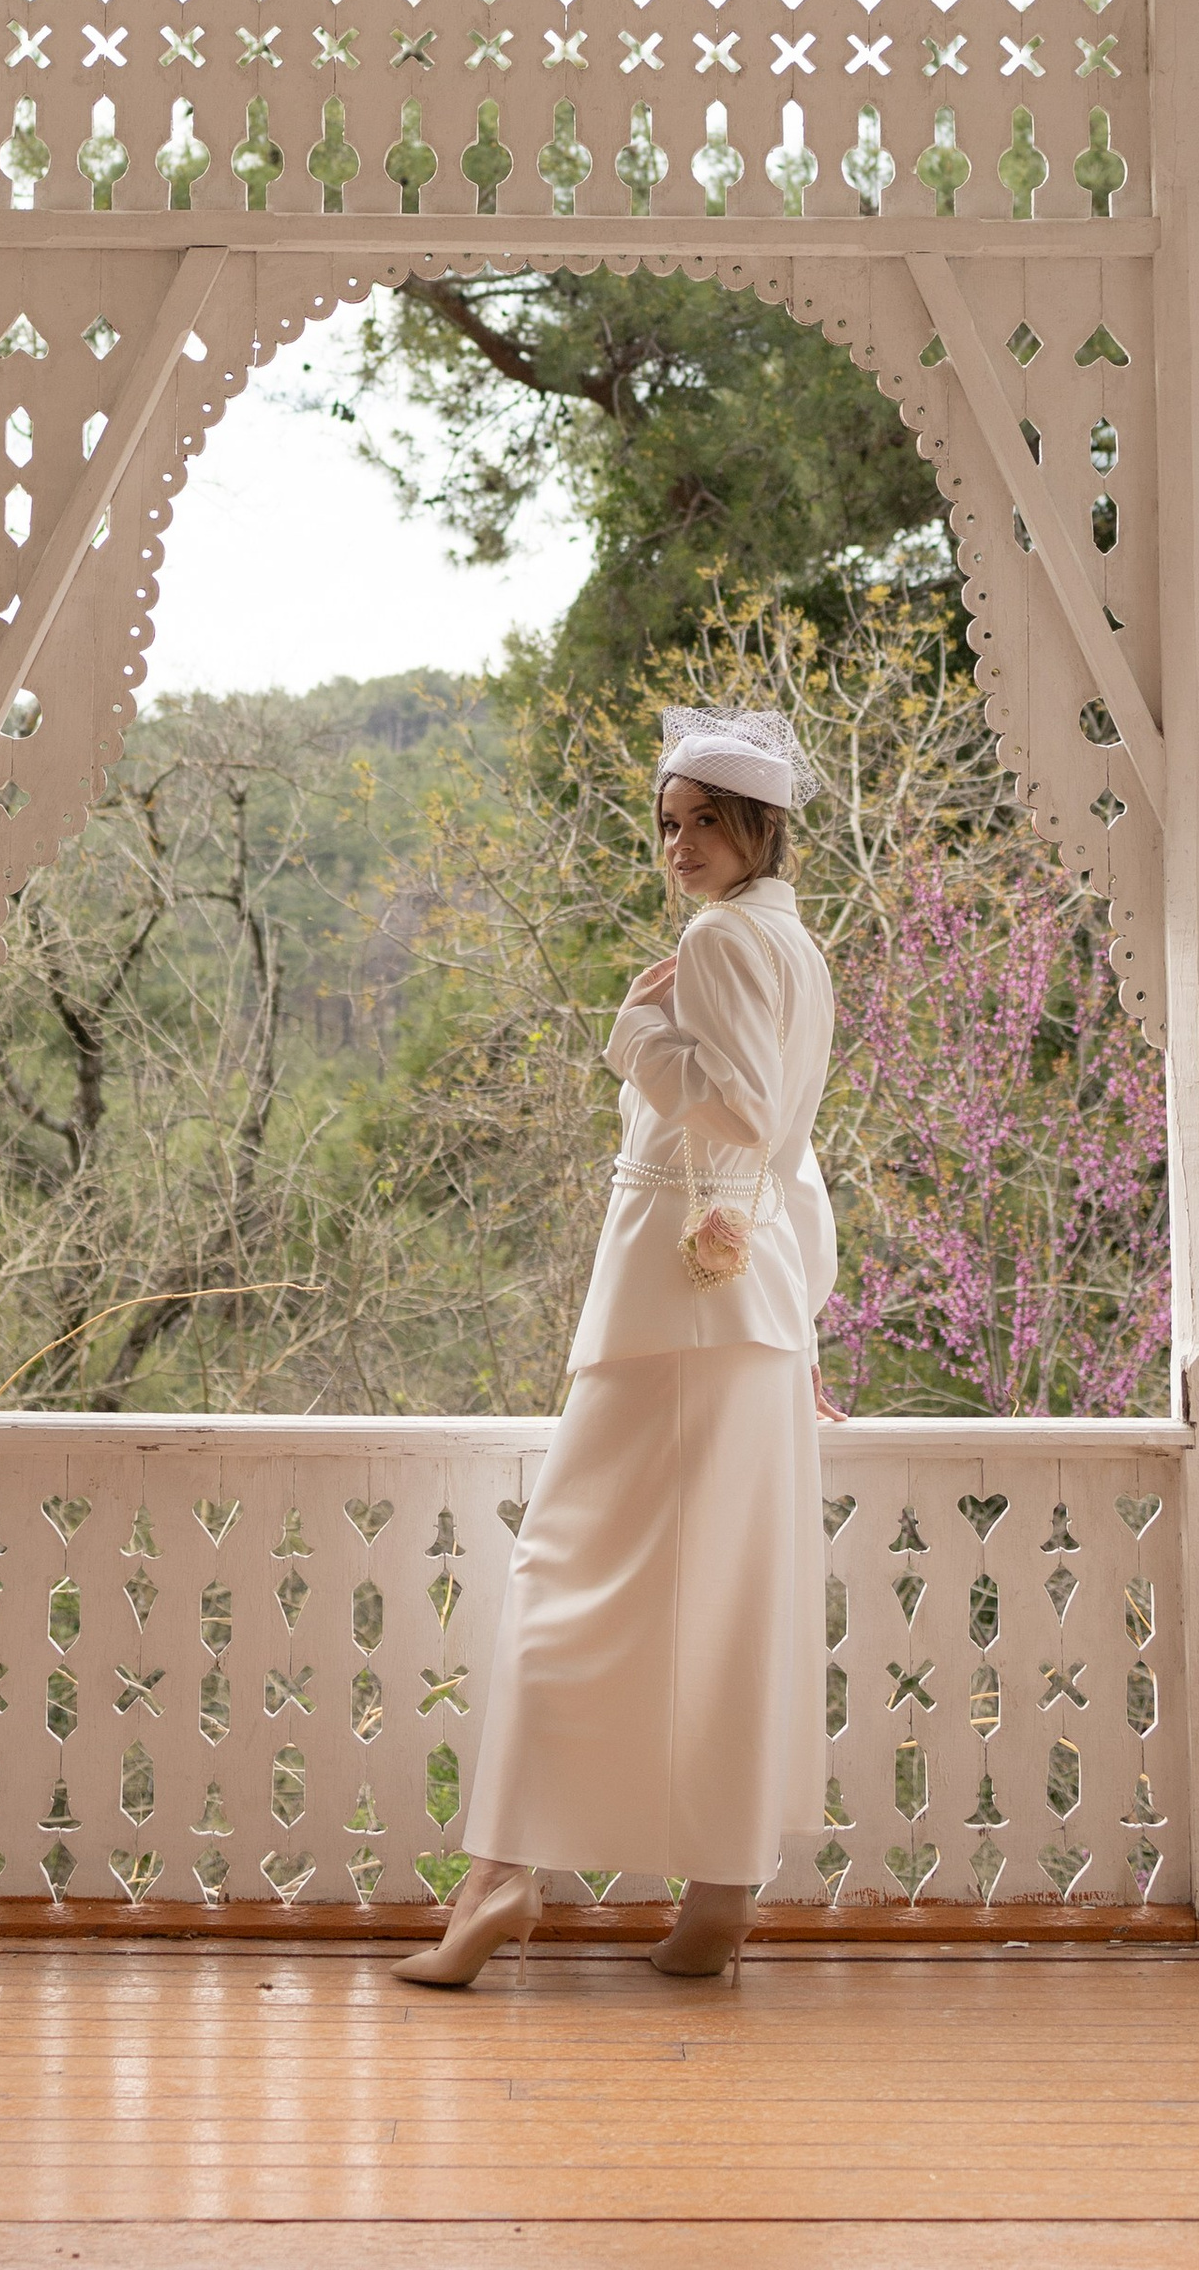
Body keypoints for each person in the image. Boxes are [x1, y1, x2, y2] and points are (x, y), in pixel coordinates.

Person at [397, 703, 841, 1990]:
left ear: (759, 827)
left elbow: (746, 1124)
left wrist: (635, 1037)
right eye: (667, 822)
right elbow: (795, 1157)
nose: (681, 844)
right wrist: (795, 1313)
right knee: (731, 1596)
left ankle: (500, 1885)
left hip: (678, 1311)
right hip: (746, 1313)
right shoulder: (794, 949)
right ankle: (716, 1903)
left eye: (707, 820)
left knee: (559, 1564)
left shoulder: (717, 941)